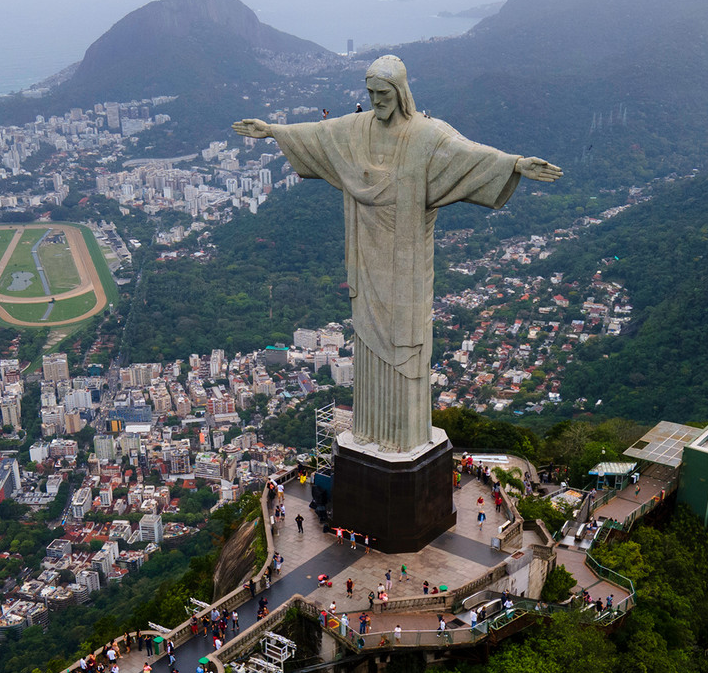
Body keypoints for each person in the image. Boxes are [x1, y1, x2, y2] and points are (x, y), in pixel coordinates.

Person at [233, 56, 560, 453]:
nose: (375, 101)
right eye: (370, 93)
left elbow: (469, 155)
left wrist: (515, 165)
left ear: (401, 92)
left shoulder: (426, 136)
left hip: (406, 267)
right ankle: (370, 432)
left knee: (405, 342)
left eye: (383, 94)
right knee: (368, 341)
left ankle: (404, 438)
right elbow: (319, 135)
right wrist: (272, 131)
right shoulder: (355, 130)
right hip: (366, 259)